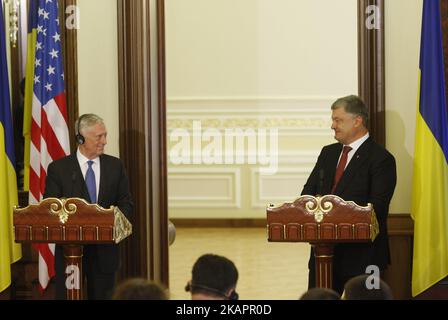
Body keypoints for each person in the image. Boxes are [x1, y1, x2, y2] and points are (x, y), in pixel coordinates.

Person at [301, 95, 396, 294]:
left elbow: (377, 208)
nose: (333, 125)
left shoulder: (381, 159)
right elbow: (307, 194)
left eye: (338, 120)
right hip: (323, 252)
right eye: (333, 120)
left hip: (363, 255)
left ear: (357, 121)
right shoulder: (328, 153)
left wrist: (334, 217)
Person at [44, 113, 133, 300]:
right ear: (80, 138)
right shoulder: (59, 169)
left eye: (105, 135)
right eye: (99, 137)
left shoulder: (115, 166)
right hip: (70, 252)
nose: (104, 141)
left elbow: (126, 203)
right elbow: (50, 209)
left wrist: (112, 225)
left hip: (105, 252)